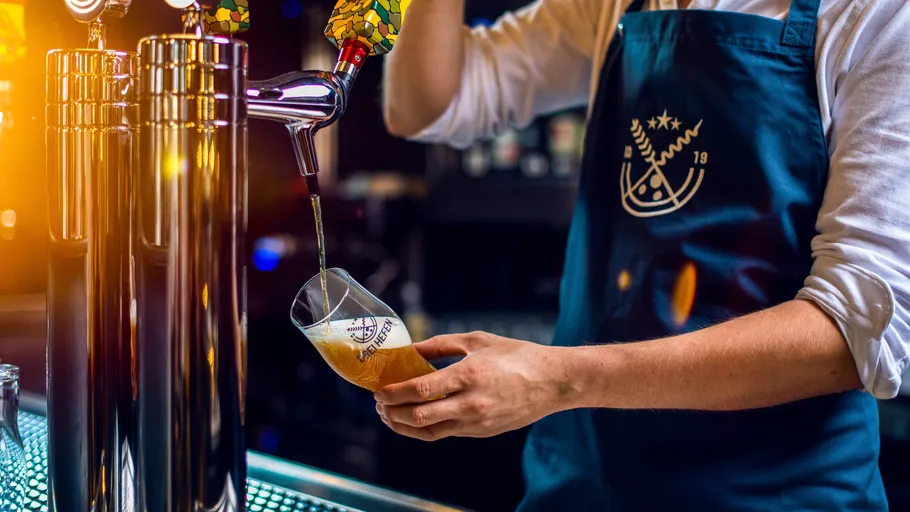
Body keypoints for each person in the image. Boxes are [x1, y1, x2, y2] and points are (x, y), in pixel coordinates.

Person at [375, 0, 910, 509]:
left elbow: (852, 332)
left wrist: (559, 379)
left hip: (769, 496)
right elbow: (426, 107)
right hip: (581, 487)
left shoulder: (878, 15)